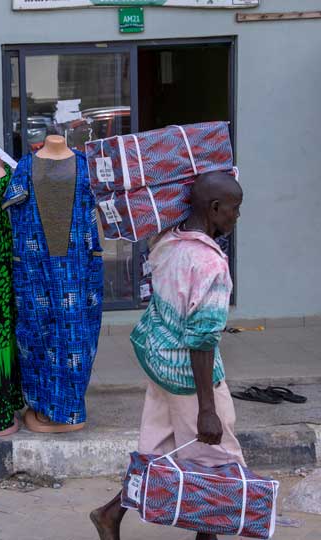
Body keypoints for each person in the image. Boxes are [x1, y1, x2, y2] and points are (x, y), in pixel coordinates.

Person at [90, 171, 244, 540]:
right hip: (187, 374)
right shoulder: (210, 264)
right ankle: (206, 535)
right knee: (217, 456)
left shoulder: (167, 241)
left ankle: (110, 514)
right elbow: (203, 339)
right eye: (235, 210)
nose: (237, 218)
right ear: (215, 207)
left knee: (158, 450)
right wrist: (207, 407)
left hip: (158, 360)